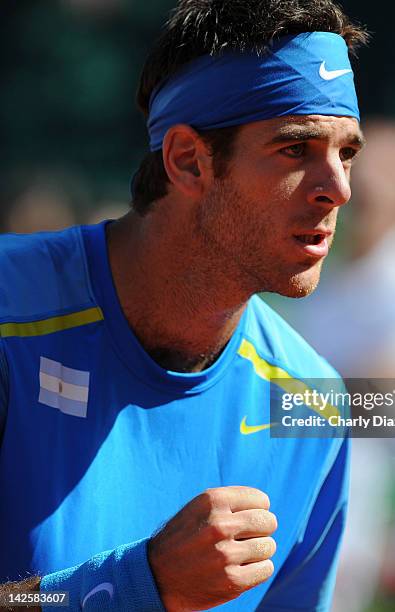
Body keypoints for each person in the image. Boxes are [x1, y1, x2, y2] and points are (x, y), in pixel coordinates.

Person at [0, 1, 367, 610]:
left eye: (346, 152)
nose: (339, 188)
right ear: (188, 161)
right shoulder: (12, 314)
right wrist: (136, 586)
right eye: (295, 150)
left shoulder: (310, 402)